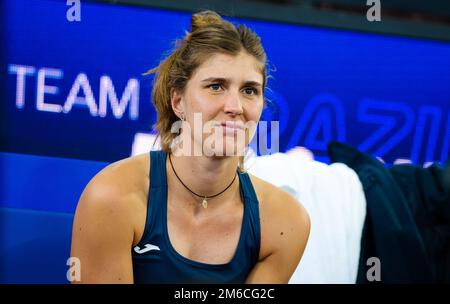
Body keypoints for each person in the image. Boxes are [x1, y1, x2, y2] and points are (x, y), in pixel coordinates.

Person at [70, 10, 310, 284]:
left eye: (249, 90)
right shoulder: (113, 197)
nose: (235, 107)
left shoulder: (286, 223)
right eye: (216, 86)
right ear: (178, 102)